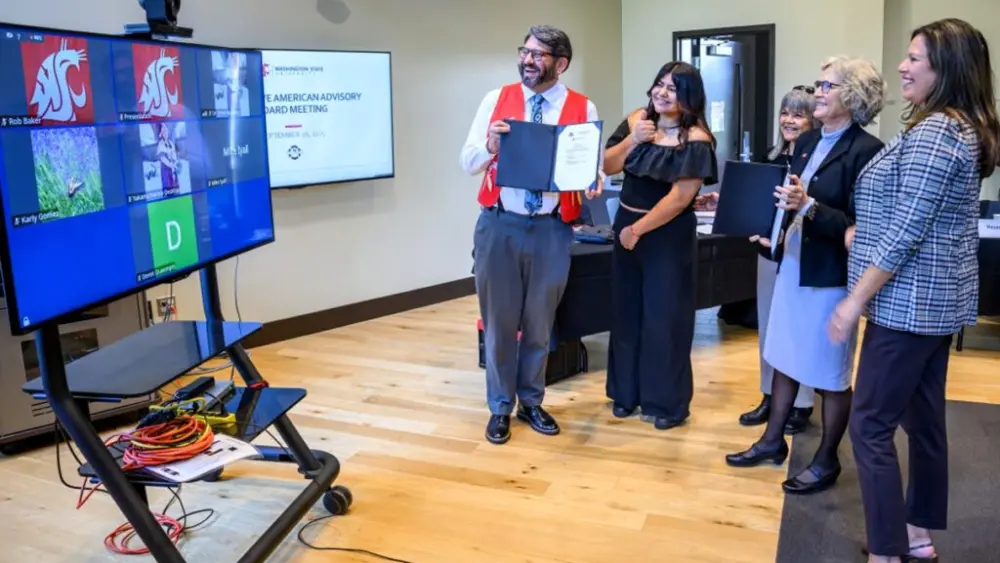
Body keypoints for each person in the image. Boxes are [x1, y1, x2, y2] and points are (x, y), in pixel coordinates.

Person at [829, 19, 1000, 563]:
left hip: (907, 304)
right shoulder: (963, 128)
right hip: (936, 305)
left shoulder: (936, 133)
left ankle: (886, 551)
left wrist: (856, 299)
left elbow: (907, 229)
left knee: (870, 425)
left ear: (945, 68)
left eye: (914, 58)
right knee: (924, 422)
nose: (902, 66)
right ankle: (918, 538)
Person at [726, 55, 886, 497]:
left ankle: (827, 458)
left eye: (827, 86)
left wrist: (809, 206)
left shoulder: (867, 151)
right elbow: (788, 198)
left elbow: (861, 226)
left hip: (830, 275)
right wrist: (771, 231)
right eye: (818, 84)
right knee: (783, 354)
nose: (817, 92)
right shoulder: (808, 140)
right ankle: (773, 441)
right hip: (793, 261)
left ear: (852, 97)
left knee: (830, 373)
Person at [459, 25, 602, 445]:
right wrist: (490, 146)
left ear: (561, 64)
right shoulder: (495, 100)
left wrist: (591, 181)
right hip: (499, 223)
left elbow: (587, 167)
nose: (527, 60)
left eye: (539, 55)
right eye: (525, 51)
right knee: (500, 323)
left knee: (540, 322)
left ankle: (532, 402)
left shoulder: (583, 107)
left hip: (552, 230)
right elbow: (467, 162)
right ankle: (500, 407)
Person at [602, 61, 717, 430]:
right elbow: (606, 166)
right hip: (625, 227)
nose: (662, 93)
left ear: (689, 98)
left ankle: (665, 403)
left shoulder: (697, 139)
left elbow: (681, 198)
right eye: (659, 84)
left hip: (665, 235)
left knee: (664, 318)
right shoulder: (638, 119)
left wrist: (637, 230)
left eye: (673, 88)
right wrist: (634, 138)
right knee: (625, 312)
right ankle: (626, 394)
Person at [737, 85, 820, 434]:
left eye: (798, 114)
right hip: (767, 254)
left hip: (802, 256)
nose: (789, 119)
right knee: (768, 329)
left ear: (814, 119)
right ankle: (770, 396)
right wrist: (753, 226)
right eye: (786, 112)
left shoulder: (816, 162)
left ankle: (801, 404)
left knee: (799, 330)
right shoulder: (771, 158)